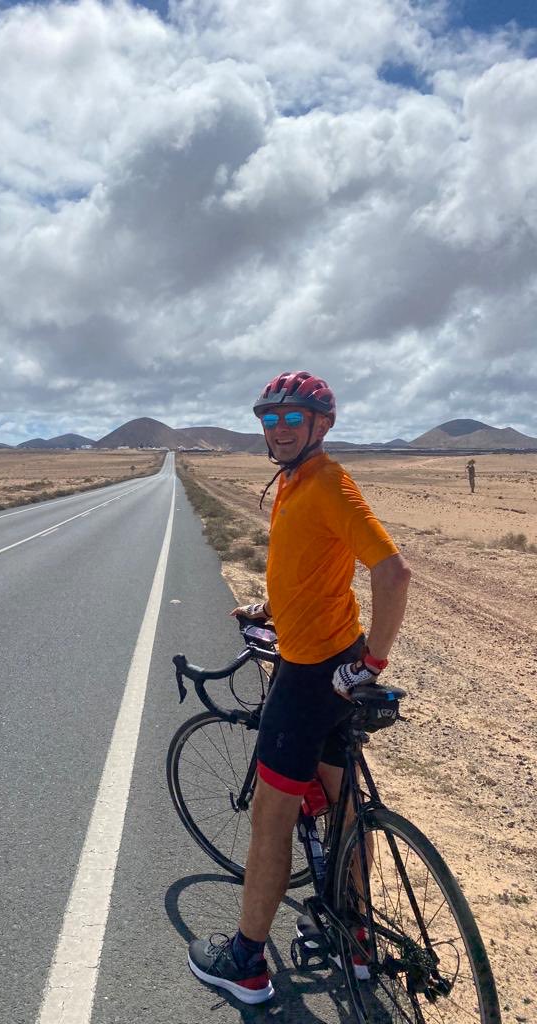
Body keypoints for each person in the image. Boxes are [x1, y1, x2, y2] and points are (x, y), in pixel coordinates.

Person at [187, 370, 412, 1004]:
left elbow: (393, 574)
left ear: (322, 426)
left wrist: (376, 663)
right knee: (341, 809)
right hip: (331, 664)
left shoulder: (330, 486)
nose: (279, 430)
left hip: (313, 675)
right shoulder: (294, 483)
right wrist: (272, 612)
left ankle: (247, 963)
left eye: (293, 419)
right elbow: (313, 572)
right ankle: (359, 942)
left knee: (270, 820)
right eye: (270, 418)